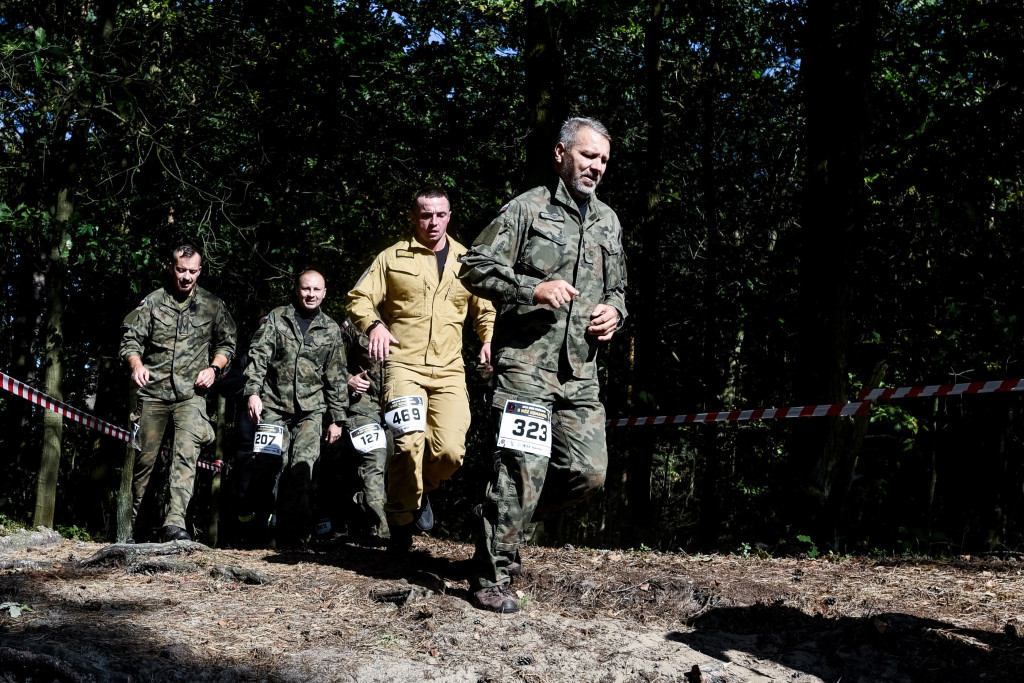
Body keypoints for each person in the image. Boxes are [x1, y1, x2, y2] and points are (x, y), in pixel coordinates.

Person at [458, 117, 627, 612]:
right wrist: (531, 289)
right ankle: (494, 573)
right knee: (521, 467)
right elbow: (474, 266)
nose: (596, 167)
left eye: (603, 160)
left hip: (580, 370)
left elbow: (618, 289)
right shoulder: (528, 208)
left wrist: (614, 313)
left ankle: (502, 513)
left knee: (590, 472)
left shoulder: (609, 221)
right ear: (560, 154)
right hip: (525, 365)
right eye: (588, 155)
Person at [346, 186, 496, 551]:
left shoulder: (467, 260)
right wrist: (375, 325)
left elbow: (484, 309)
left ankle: (419, 490)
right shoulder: (391, 257)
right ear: (413, 217)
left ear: (449, 216)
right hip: (403, 365)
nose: (433, 222)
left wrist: (489, 339)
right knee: (407, 441)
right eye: (425, 215)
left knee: (451, 452)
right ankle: (400, 524)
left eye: (440, 214)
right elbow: (358, 298)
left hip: (449, 369)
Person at [120, 243, 237, 543]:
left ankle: (174, 524)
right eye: (181, 270)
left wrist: (214, 368)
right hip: (153, 392)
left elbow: (228, 345)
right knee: (146, 463)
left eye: (193, 271)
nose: (186, 277)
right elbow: (130, 339)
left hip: (191, 395)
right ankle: (141, 530)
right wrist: (136, 365)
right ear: (171, 268)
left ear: (200, 271)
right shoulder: (153, 303)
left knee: (185, 455)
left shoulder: (212, 305)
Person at [243, 270, 348, 546]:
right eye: (305, 289)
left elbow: (336, 376)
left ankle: (293, 537)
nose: (311, 294)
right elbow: (258, 358)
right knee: (266, 466)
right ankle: (258, 525)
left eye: (316, 289)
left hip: (311, 411)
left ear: (324, 293)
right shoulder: (278, 318)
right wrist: (253, 392)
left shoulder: (332, 330)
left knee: (302, 469)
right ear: (297, 290)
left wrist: (337, 419)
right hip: (274, 406)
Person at [339, 317, 391, 540]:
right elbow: (329, 363)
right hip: (363, 405)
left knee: (402, 458)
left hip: (399, 402)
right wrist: (348, 379)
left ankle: (408, 517)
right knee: (374, 459)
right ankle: (381, 529)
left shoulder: (413, 317)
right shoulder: (354, 324)